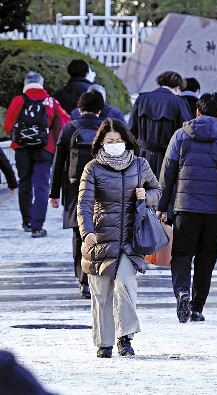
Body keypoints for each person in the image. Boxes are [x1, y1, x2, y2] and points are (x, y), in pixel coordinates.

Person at [157, 93, 217, 323]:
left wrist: (162, 206)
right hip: (215, 213)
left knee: (182, 255)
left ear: (197, 112)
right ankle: (196, 307)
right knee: (206, 260)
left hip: (185, 209)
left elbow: (167, 175)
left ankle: (182, 291)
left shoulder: (180, 136)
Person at [78, 119, 161, 358]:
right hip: (101, 238)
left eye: (118, 140)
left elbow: (158, 191)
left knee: (125, 284)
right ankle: (104, 343)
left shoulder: (140, 164)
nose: (114, 144)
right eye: (109, 141)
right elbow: (84, 203)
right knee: (101, 290)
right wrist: (87, 232)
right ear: (101, 143)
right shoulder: (92, 168)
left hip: (130, 237)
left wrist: (147, 195)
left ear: (126, 141)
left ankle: (125, 337)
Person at [49, 91, 105, 299]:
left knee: (78, 233)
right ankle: (96, 276)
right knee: (100, 230)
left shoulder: (68, 129)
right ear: (100, 109)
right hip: (102, 186)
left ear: (79, 109)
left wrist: (54, 193)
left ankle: (83, 280)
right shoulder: (107, 129)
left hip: (75, 188)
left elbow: (58, 165)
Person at [3, 71, 69, 237]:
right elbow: (64, 123)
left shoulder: (18, 101)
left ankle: (27, 222)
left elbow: (8, 125)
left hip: (21, 149)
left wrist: (20, 136)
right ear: (42, 84)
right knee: (41, 186)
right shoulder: (50, 101)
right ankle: (37, 227)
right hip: (44, 149)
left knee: (25, 184)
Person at [128, 71, 193, 178]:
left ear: (159, 85)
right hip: (169, 159)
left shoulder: (142, 99)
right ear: (177, 88)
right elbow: (187, 135)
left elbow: (131, 131)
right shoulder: (180, 102)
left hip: (142, 158)